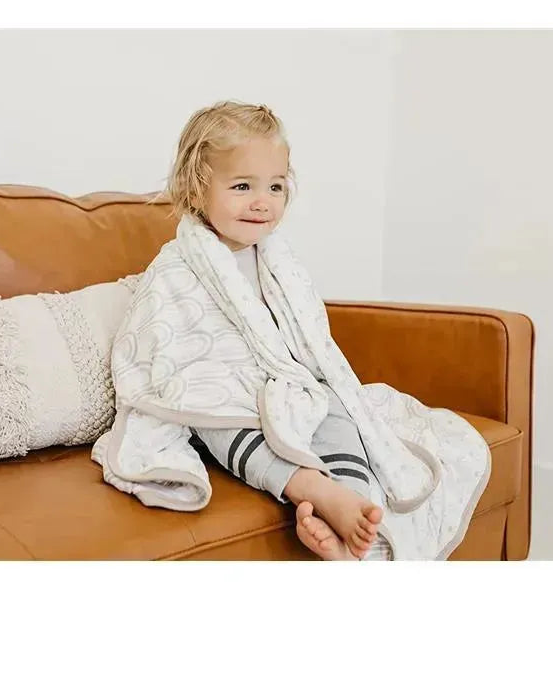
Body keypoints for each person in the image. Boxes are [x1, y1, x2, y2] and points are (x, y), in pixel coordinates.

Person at [156, 100, 385, 560]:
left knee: (336, 406)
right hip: (222, 394)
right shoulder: (177, 265)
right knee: (218, 423)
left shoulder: (279, 262)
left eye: (275, 186)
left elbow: (305, 337)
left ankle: (352, 504)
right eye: (242, 186)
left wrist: (301, 379)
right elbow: (165, 343)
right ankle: (309, 488)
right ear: (196, 189)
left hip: (281, 383)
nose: (262, 201)